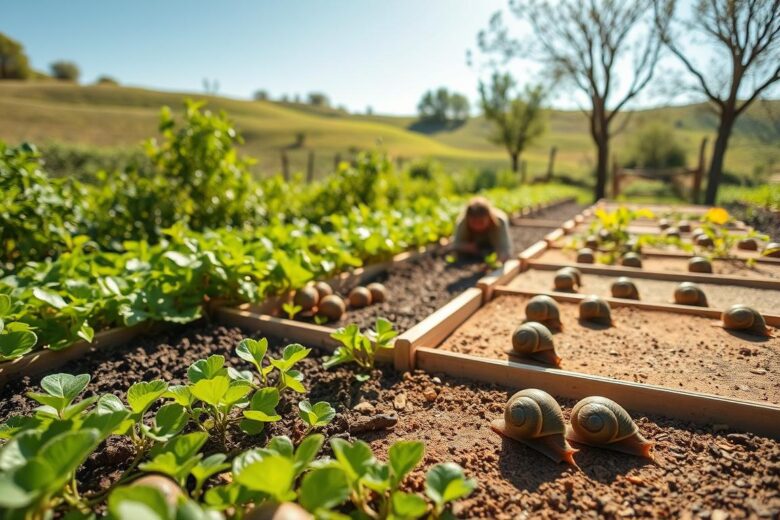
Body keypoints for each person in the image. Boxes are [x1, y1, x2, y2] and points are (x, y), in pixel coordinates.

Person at [452, 196, 513, 262]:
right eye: (473, 222)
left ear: (489, 218)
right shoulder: (462, 222)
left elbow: (505, 249)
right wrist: (466, 247)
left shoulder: (500, 221)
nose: (477, 226)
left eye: (481, 222)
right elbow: (455, 245)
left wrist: (497, 261)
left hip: (492, 247)